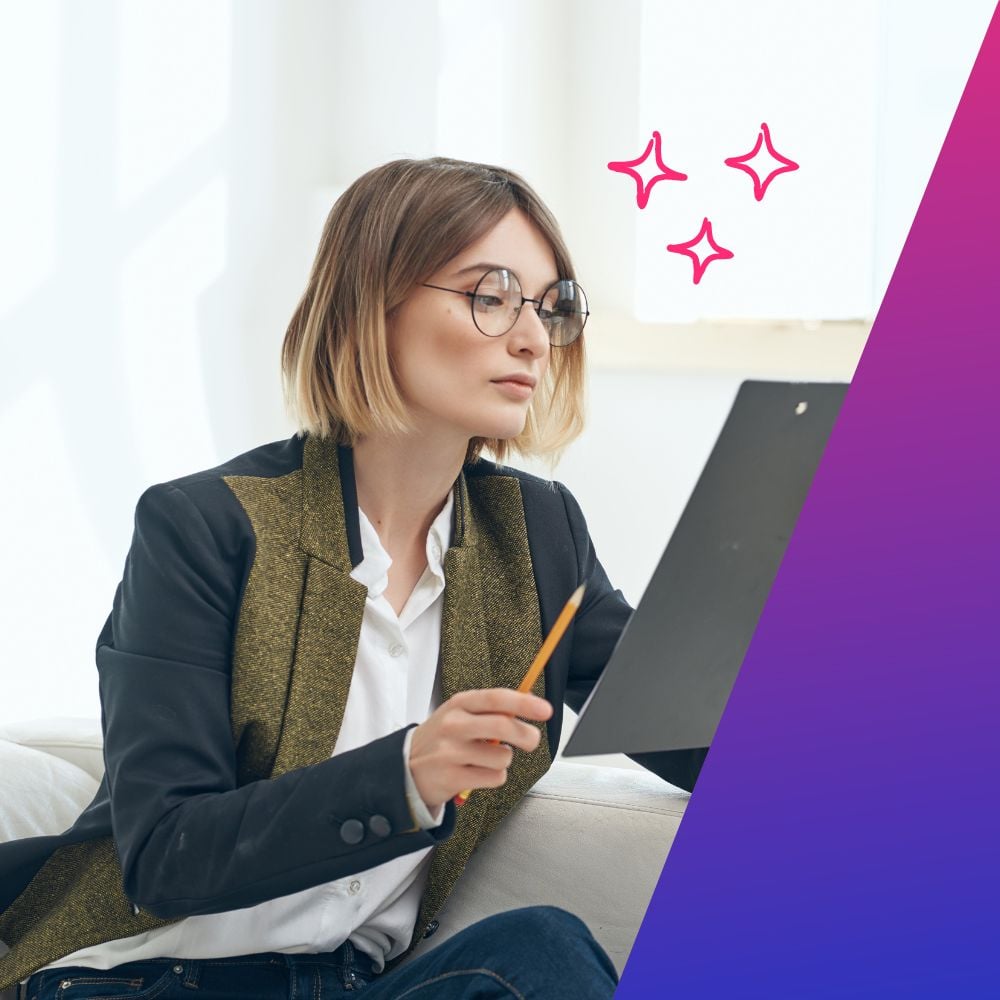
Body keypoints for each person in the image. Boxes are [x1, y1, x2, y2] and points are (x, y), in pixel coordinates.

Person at [0, 157, 705, 999]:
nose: (530, 338)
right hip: (149, 980)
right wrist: (405, 773)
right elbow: (164, 855)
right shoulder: (203, 528)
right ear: (373, 303)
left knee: (540, 949)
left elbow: (687, 729)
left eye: (551, 308)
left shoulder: (538, 533)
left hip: (352, 984)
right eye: (491, 295)